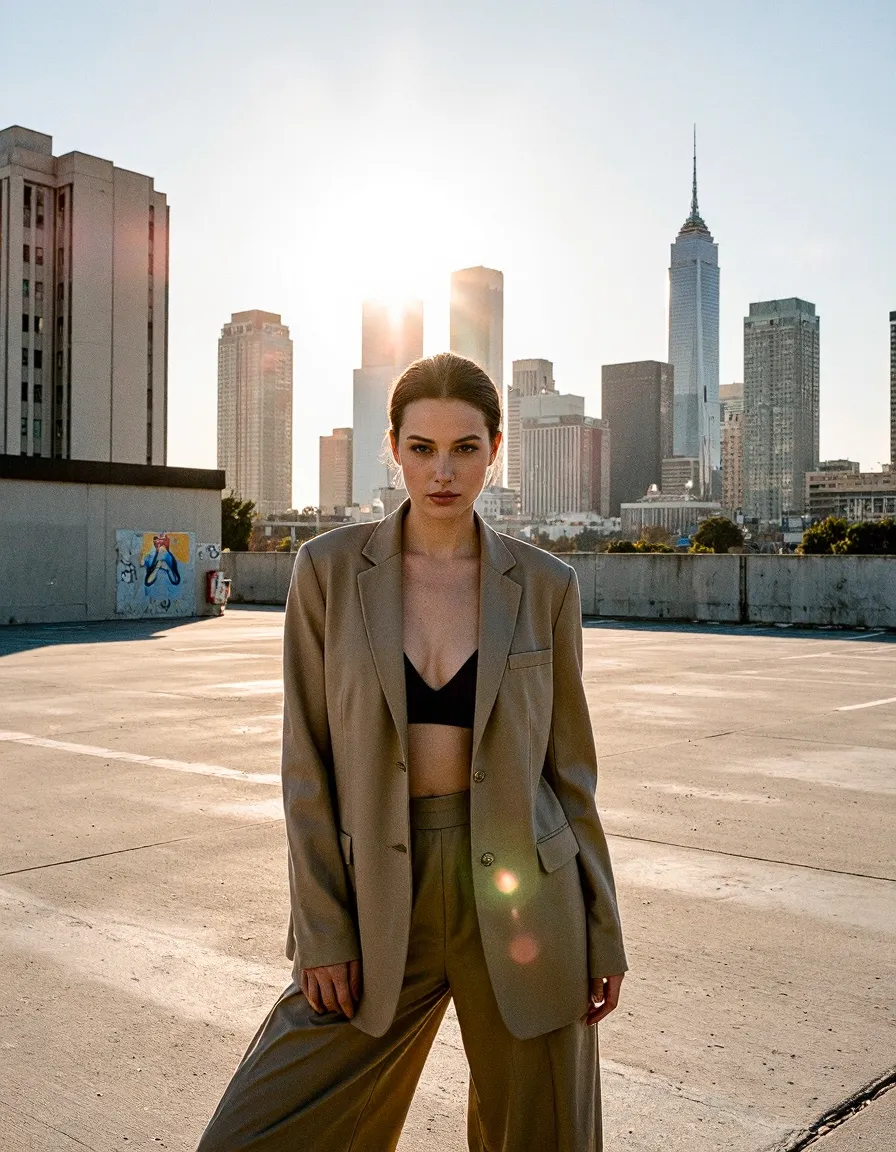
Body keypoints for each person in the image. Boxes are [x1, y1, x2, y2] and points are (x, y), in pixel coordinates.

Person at [197, 352, 627, 1151]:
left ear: (495, 450)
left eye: (465, 447)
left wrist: (602, 928)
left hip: (525, 895)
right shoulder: (327, 571)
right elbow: (306, 764)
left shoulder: (545, 586)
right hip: (377, 895)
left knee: (543, 1138)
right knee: (251, 1135)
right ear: (393, 446)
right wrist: (323, 929)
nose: (443, 470)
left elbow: (570, 773)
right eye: (423, 447)